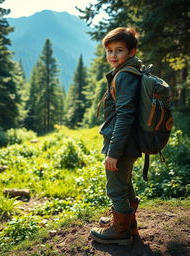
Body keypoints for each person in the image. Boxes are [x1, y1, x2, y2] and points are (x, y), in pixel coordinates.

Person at [89, 27, 142, 245]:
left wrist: (113, 153)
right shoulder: (128, 71)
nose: (112, 55)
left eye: (119, 50)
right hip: (128, 142)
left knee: (115, 187)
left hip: (121, 143)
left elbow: (124, 116)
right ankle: (129, 223)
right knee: (125, 183)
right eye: (109, 50)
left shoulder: (124, 76)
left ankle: (120, 231)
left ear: (131, 51)